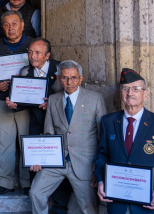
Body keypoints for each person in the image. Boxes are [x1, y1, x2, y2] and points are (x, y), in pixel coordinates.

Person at [29, 60, 106, 214]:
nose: (69, 82)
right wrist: (40, 159)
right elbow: (49, 133)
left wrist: (97, 170)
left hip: (84, 163)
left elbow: (101, 138)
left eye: (74, 77)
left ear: (81, 78)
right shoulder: (53, 100)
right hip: (57, 161)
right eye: (64, 78)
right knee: (36, 193)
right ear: (58, 78)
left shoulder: (95, 99)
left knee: (89, 207)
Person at [10, 38, 71, 205]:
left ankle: (60, 205)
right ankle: (37, 201)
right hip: (37, 124)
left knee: (59, 164)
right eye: (30, 52)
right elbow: (23, 100)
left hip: (59, 125)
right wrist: (13, 104)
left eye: (37, 53)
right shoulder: (24, 72)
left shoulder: (61, 69)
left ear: (47, 55)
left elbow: (72, 93)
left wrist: (51, 102)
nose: (32, 56)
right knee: (35, 164)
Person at [95, 68, 154, 214]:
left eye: (136, 89)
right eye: (125, 89)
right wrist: (101, 181)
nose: (130, 93)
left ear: (145, 94)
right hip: (117, 202)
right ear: (120, 94)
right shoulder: (108, 121)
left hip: (147, 203)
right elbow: (102, 155)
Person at [0, 10, 34, 196]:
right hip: (2, 100)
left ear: (22, 25)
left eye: (14, 23)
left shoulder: (33, 44)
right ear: (2, 27)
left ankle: (27, 181)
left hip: (27, 103)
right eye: (6, 25)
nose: (11, 28)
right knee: (3, 141)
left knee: (27, 141)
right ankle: (4, 182)